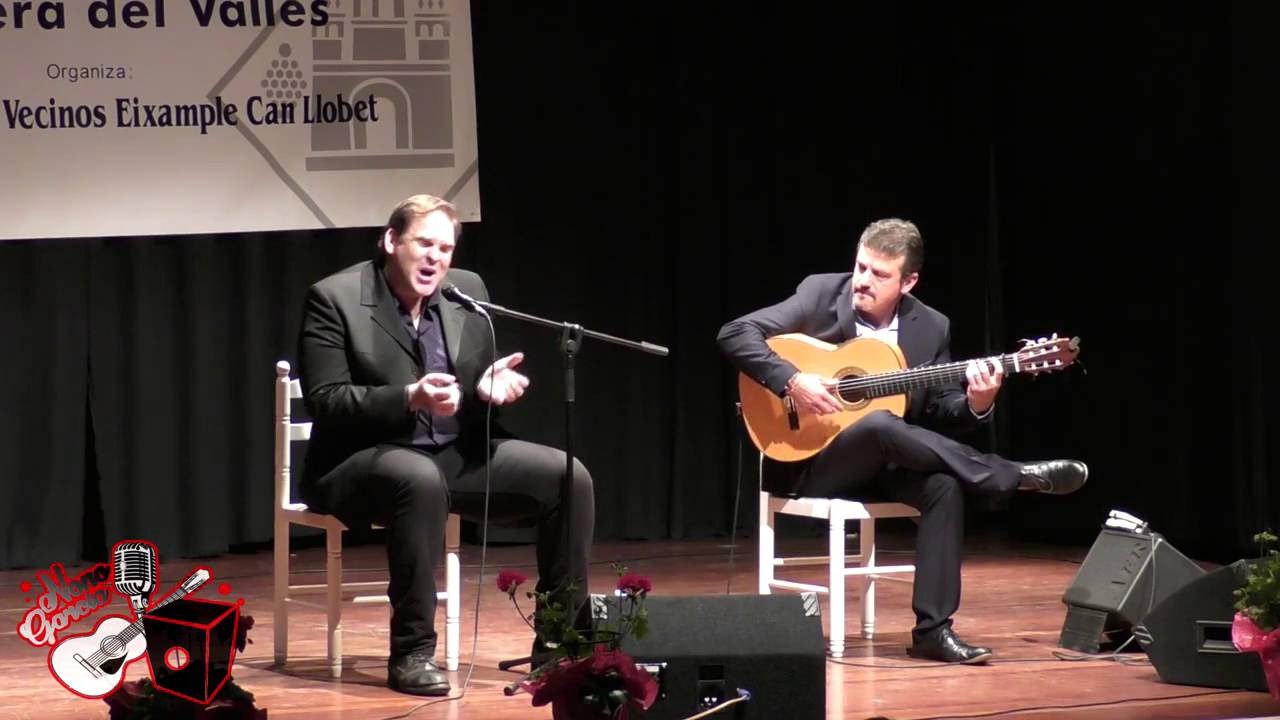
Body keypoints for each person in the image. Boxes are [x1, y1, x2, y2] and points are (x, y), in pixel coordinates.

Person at [716, 218, 1088, 665]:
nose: (863, 281)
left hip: (885, 467)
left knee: (943, 486)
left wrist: (976, 402)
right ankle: (1008, 475)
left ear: (909, 281)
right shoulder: (820, 293)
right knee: (880, 426)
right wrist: (792, 379)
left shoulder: (931, 326)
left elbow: (939, 412)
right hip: (808, 459)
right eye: (860, 267)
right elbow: (734, 333)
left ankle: (932, 630)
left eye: (879, 274)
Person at [296, 193, 594, 695]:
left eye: (446, 248)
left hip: (452, 456)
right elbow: (327, 400)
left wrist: (486, 393)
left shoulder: (466, 292)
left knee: (568, 477)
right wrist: (409, 397)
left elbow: (471, 393)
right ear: (391, 241)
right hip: (358, 462)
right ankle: (412, 653)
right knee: (419, 477)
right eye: (424, 244)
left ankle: (560, 644)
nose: (436, 258)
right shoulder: (335, 298)